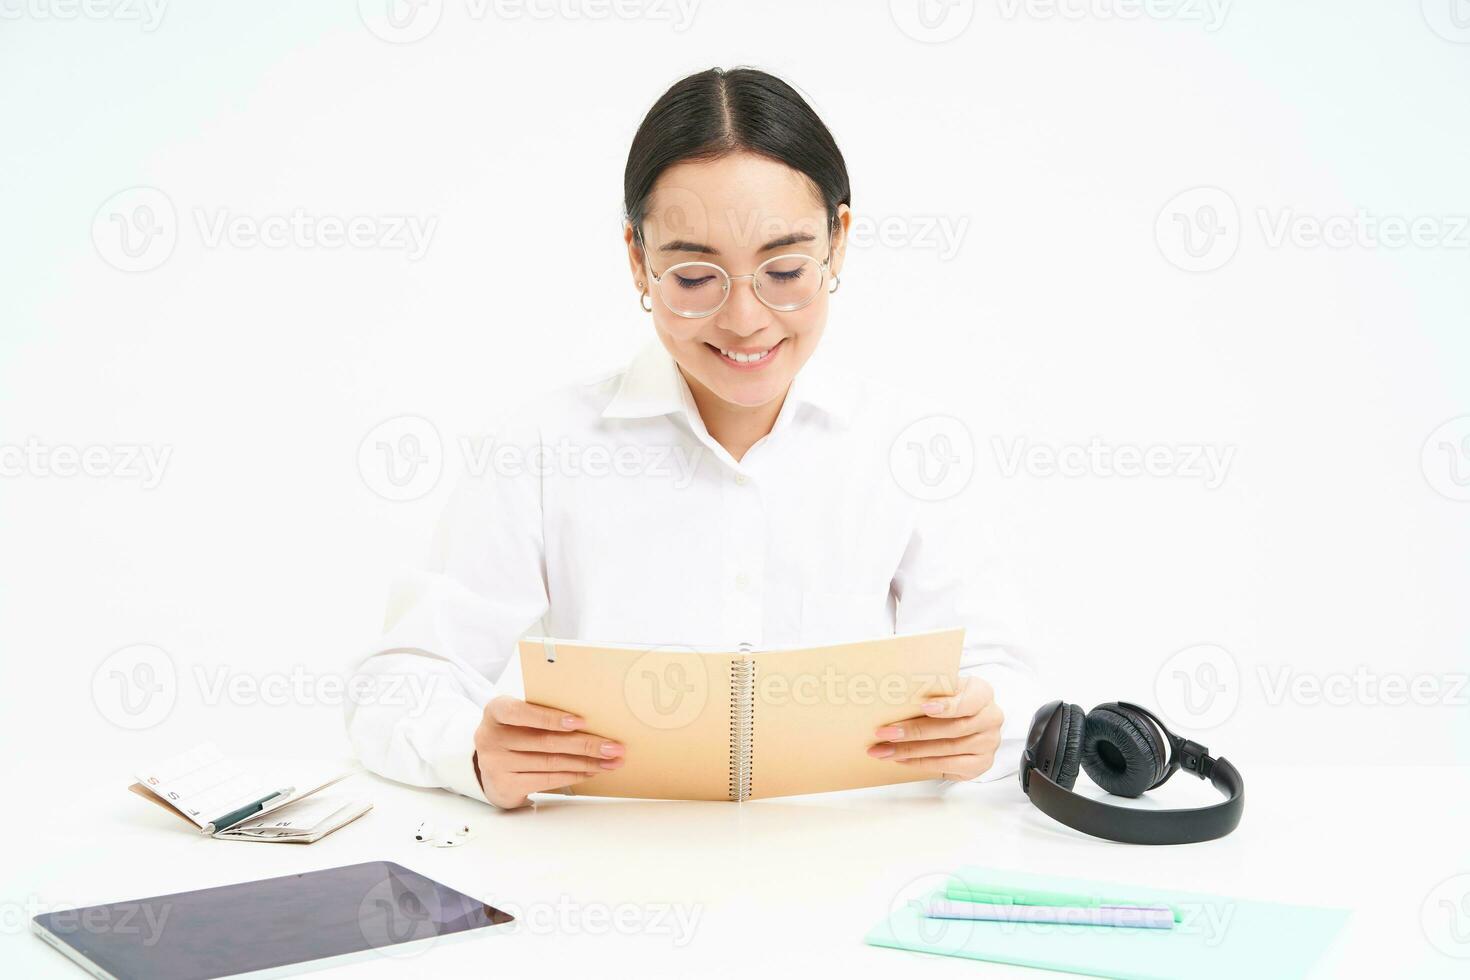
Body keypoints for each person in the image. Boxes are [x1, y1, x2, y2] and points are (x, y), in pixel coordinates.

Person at [346, 67, 1040, 810]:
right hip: (605, 882)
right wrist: (475, 753)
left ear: (837, 243)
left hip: (848, 881)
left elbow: (1008, 681)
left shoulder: (910, 447)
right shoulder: (542, 447)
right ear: (638, 259)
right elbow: (399, 685)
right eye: (693, 276)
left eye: (782, 268)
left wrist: (984, 725)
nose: (745, 319)